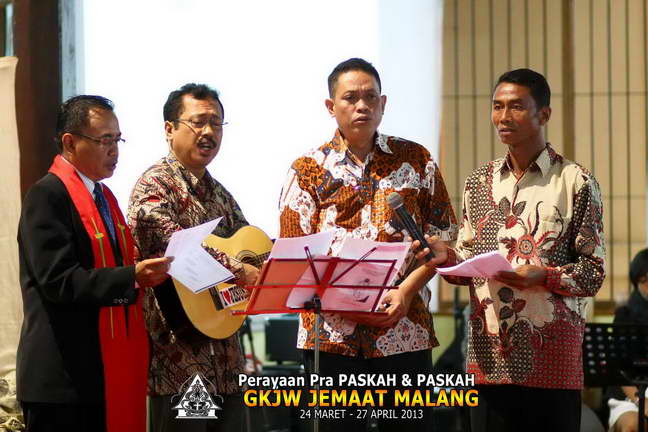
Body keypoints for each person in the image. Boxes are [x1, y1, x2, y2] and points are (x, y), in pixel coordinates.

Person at [278, 58, 457, 431]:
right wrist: (351, 304)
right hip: (330, 338)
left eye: (370, 97)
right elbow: (294, 257)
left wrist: (406, 291)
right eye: (350, 98)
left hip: (404, 328)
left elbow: (443, 239)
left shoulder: (417, 159)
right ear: (331, 106)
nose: (362, 106)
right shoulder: (306, 170)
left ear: (383, 103)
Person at [422, 68, 606, 432]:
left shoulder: (576, 181)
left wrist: (545, 275)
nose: (504, 116)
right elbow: (467, 262)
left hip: (552, 361)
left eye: (517, 106)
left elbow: (593, 273)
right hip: (489, 358)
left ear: (544, 114)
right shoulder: (478, 182)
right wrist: (448, 258)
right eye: (497, 106)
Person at [16, 95, 172, 432]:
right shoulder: (47, 195)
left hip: (100, 372)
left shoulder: (104, 198)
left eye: (118, 140)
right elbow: (58, 281)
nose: (114, 150)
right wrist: (131, 278)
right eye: (104, 140)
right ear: (70, 142)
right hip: (61, 380)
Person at [127, 83, 259, 432]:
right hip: (179, 358)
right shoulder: (153, 186)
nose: (209, 132)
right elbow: (176, 246)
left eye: (216, 123)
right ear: (169, 129)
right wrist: (239, 270)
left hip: (227, 360)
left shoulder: (221, 194)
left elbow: (251, 245)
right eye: (198, 122)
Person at [607, 249, 648, 432]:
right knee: (632, 426)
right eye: (644, 280)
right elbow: (618, 367)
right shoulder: (625, 315)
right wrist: (641, 401)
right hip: (629, 394)